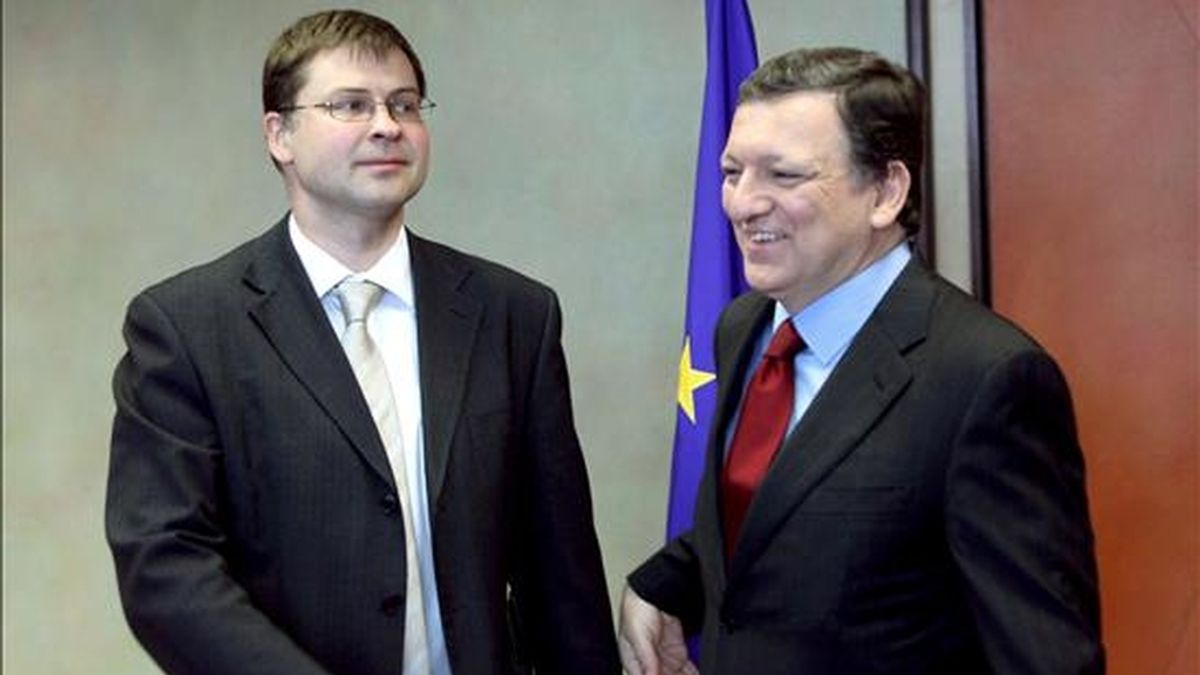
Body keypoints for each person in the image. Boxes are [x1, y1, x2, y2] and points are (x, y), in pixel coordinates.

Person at [106, 10, 619, 675]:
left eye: (404, 104)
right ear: (279, 133)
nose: (387, 125)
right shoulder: (188, 327)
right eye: (351, 105)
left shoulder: (513, 314)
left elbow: (562, 572)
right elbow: (164, 566)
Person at [619, 47, 1104, 675]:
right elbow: (782, 516)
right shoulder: (743, 330)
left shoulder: (987, 379)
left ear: (885, 191)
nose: (742, 203)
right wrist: (662, 583)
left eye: (783, 176)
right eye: (733, 171)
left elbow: (1046, 658)